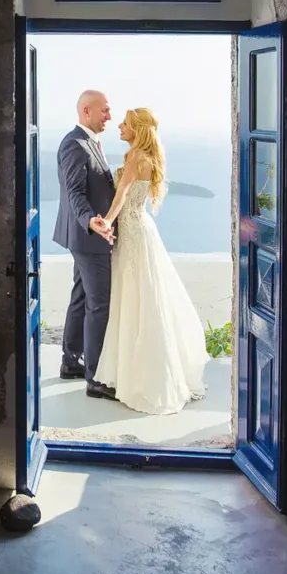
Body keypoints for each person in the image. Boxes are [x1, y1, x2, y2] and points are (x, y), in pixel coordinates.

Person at [92, 107, 208, 415]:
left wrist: (106, 222)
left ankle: (139, 379)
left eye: (125, 123)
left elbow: (121, 195)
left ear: (137, 129)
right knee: (144, 297)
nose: (119, 126)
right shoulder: (148, 157)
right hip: (141, 229)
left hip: (133, 233)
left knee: (134, 299)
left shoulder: (135, 157)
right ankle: (139, 373)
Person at [52, 90, 118, 399]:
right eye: (105, 110)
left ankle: (71, 361)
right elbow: (74, 192)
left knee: (81, 297)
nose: (109, 116)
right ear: (86, 110)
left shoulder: (89, 142)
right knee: (99, 304)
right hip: (89, 238)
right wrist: (91, 220)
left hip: (84, 237)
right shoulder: (75, 144)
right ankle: (96, 378)